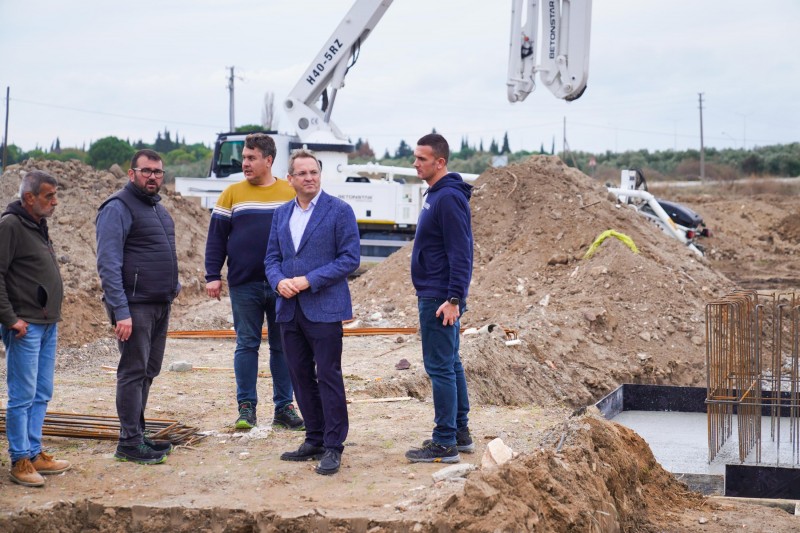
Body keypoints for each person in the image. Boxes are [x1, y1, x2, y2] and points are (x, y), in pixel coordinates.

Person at [265, 148, 360, 476]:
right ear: (290, 179)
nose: (309, 178)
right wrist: (278, 282)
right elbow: (272, 258)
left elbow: (350, 258)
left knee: (328, 376)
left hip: (325, 307)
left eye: (314, 172)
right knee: (300, 375)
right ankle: (315, 438)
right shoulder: (281, 214)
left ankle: (333, 445)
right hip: (289, 309)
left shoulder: (339, 211)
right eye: (302, 173)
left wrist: (308, 280)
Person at [205, 133, 304, 431]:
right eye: (244, 158)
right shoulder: (232, 194)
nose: (245, 163)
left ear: (268, 160)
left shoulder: (290, 192)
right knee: (246, 344)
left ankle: (284, 407)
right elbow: (216, 238)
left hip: (283, 285)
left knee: (282, 346)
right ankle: (246, 408)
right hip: (244, 283)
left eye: (251, 158)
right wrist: (213, 275)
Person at [96, 149, 180, 465]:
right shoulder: (117, 207)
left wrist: (174, 285)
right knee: (133, 372)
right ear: (132, 174)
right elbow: (108, 263)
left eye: (158, 172)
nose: (153, 177)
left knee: (148, 370)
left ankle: (138, 434)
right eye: (146, 171)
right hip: (134, 306)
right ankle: (129, 443)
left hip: (159, 303)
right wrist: (121, 311)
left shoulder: (157, 208)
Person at [405, 133, 475, 464]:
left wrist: (454, 298)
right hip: (438, 293)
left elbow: (461, 252)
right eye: (415, 157)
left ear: (440, 162)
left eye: (422, 159)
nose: (415, 164)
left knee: (440, 367)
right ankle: (459, 433)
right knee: (450, 363)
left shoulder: (447, 198)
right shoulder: (437, 194)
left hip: (440, 297)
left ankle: (444, 441)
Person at [0, 170, 71, 487]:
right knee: (22, 395)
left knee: (42, 392)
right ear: (29, 197)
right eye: (49, 196)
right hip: (24, 326)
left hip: (46, 323)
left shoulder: (37, 224)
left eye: (56, 195)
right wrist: (10, 318)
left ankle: (34, 451)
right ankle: (20, 460)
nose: (55, 202)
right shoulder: (11, 225)